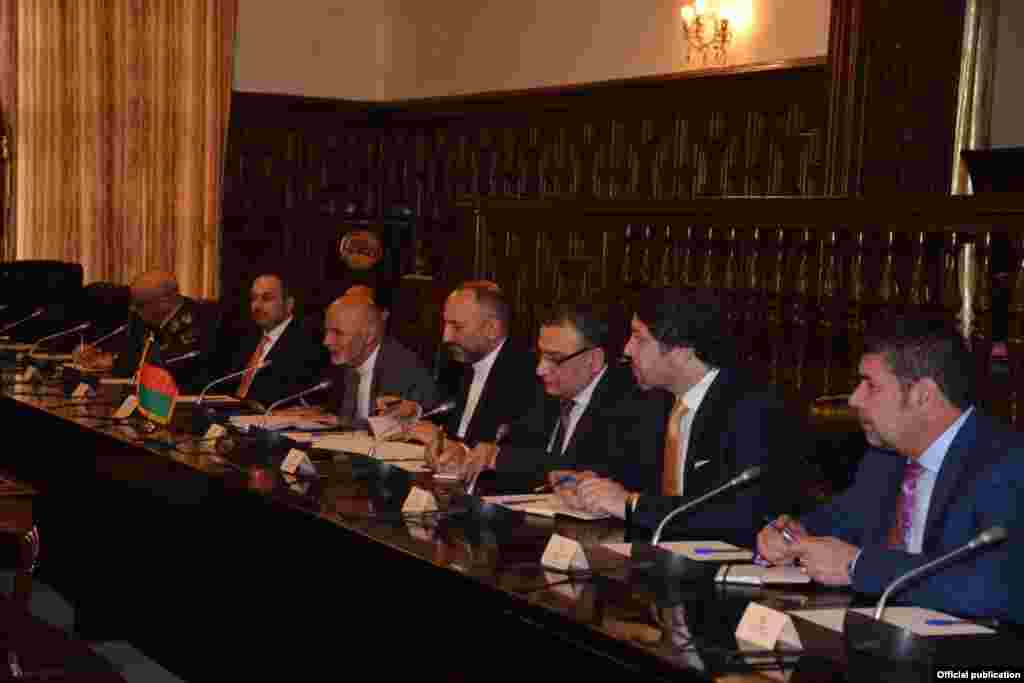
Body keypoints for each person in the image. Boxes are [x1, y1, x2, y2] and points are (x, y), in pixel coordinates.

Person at [757, 317, 1024, 622]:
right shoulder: (886, 459)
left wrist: (857, 567)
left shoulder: (1007, 464)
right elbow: (840, 522)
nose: (855, 399)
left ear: (923, 395)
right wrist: (791, 536)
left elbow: (998, 588)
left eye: (870, 385)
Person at [554, 288, 809, 547]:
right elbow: (633, 479)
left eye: (639, 338)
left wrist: (630, 504)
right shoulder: (654, 402)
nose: (627, 349)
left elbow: (737, 515)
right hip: (657, 560)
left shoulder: (752, 407)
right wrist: (590, 488)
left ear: (682, 350)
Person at [432, 303, 639, 493]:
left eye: (554, 359)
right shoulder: (547, 392)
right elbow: (515, 446)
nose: (541, 369)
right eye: (541, 355)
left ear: (594, 360)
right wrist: (464, 452)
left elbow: (580, 469)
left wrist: (499, 457)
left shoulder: (626, 401)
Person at [76, 270, 219, 392]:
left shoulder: (198, 321)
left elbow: (175, 367)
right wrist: (104, 358)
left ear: (164, 301)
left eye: (139, 304)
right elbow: (131, 356)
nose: (133, 309)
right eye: (132, 304)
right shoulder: (144, 319)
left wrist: (116, 363)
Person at [321, 292, 441, 428]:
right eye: (326, 331)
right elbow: (333, 413)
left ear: (369, 335)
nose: (326, 341)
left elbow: (387, 428)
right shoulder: (343, 363)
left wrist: (339, 422)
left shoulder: (401, 367)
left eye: (338, 333)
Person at [216, 274, 328, 406]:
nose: (256, 306)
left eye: (266, 298)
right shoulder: (243, 338)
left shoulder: (308, 344)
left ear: (288, 304)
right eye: (253, 298)